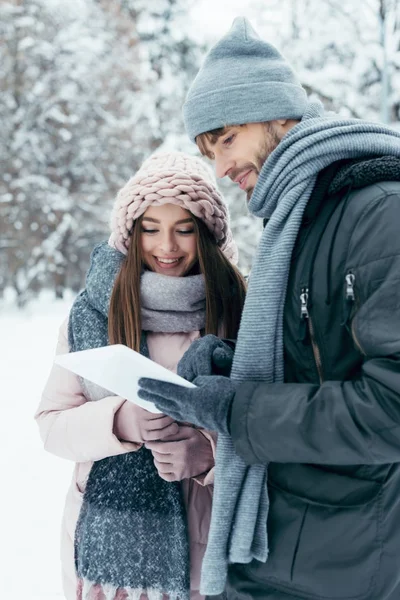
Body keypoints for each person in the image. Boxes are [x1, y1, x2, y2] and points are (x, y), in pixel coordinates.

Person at [138, 17, 400, 600]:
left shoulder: (379, 214)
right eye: (209, 151)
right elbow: (319, 363)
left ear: (277, 114)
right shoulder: (299, 220)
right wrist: (231, 363)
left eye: (227, 139)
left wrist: (239, 410)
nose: (221, 169)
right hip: (280, 551)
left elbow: (390, 408)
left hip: (342, 564)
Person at [35, 151, 246, 600]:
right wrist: (119, 421)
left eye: (184, 229)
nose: (166, 247)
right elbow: (51, 424)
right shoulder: (92, 314)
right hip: (104, 563)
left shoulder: (239, 312)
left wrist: (209, 455)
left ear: (206, 235)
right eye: (151, 229)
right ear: (131, 234)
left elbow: (269, 428)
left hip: (206, 546)